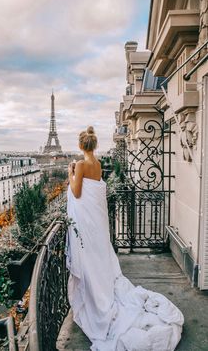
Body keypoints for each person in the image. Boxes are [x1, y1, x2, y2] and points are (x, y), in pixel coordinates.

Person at [65, 126, 184, 351]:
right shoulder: (98, 165)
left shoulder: (80, 165)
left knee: (89, 257)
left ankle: (93, 295)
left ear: (81, 146)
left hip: (86, 223)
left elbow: (77, 191)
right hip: (97, 223)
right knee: (99, 256)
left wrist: (70, 172)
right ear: (95, 145)